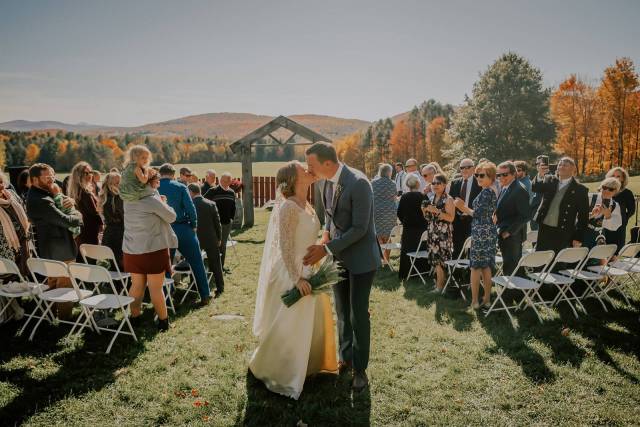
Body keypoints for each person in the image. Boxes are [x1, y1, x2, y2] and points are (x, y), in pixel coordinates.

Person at [250, 161, 337, 400]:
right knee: (290, 322)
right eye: (302, 167)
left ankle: (306, 364)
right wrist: (297, 278)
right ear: (292, 178)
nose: (308, 168)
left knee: (308, 320)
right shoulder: (288, 206)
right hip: (292, 271)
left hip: (310, 266)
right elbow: (285, 245)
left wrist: (323, 243)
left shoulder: (307, 204)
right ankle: (282, 371)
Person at [303, 142, 380, 392]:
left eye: (311, 164)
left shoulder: (359, 183)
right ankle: (345, 358)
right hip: (338, 257)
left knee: (358, 314)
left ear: (327, 163)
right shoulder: (325, 182)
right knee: (342, 312)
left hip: (361, 261)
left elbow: (360, 228)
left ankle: (361, 370)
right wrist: (325, 234)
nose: (308, 168)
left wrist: (325, 249)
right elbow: (329, 216)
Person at [26, 163, 83, 319]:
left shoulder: (44, 193)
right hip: (59, 248)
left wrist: (68, 201)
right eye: (47, 177)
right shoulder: (41, 199)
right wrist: (78, 215)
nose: (52, 180)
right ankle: (65, 319)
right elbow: (66, 220)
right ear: (35, 179)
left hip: (51, 247)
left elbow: (64, 205)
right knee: (64, 284)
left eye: (53, 176)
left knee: (53, 282)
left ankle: (51, 315)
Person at [123, 169, 177, 331]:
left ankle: (135, 317)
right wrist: (164, 203)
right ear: (149, 182)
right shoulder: (152, 200)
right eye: (157, 181)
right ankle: (163, 322)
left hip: (132, 249)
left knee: (136, 285)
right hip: (153, 249)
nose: (159, 184)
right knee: (155, 288)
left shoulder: (128, 199)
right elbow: (172, 217)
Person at [158, 163, 211, 305]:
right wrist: (194, 225)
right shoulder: (181, 187)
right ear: (173, 174)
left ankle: (167, 298)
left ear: (160, 173)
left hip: (164, 230)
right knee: (196, 262)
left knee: (165, 264)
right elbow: (191, 208)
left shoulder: (154, 188)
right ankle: (205, 295)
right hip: (182, 228)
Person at [454, 162, 498, 309]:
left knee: (475, 268)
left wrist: (462, 207)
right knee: (486, 267)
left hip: (481, 233)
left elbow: (477, 214)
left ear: (491, 177)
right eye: (477, 175)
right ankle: (486, 300)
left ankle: (475, 301)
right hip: (488, 231)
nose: (478, 178)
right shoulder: (490, 190)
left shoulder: (487, 192)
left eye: (482, 175)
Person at [532, 156, 589, 253]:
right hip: (544, 227)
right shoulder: (549, 179)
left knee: (557, 262)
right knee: (540, 259)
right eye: (560, 164)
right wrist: (540, 174)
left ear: (573, 169)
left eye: (565, 165)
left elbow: (583, 216)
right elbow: (535, 188)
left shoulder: (580, 190)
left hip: (564, 229)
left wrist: (578, 237)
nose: (561, 167)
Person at [188, 183, 225, 299]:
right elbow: (217, 224)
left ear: (191, 192)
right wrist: (219, 238)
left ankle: (194, 287)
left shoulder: (189, 205)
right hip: (211, 238)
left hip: (195, 239)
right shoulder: (211, 204)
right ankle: (220, 287)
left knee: (194, 263)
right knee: (216, 264)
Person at [493, 161, 530, 275]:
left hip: (513, 236)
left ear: (514, 174)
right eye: (499, 175)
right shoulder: (505, 187)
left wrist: (509, 232)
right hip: (504, 233)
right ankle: (510, 291)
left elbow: (525, 215)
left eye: (505, 174)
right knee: (508, 265)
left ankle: (512, 292)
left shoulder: (519, 189)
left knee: (512, 268)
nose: (501, 177)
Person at [421, 173, 455, 293]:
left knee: (441, 260)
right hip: (432, 232)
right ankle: (439, 284)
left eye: (438, 183)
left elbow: (451, 218)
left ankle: (440, 287)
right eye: (433, 183)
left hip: (443, 234)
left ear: (444, 184)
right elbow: (429, 218)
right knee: (435, 259)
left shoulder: (449, 199)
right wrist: (425, 211)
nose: (435, 185)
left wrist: (437, 211)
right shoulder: (431, 198)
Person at [396, 175, 429, 280]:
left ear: (407, 185)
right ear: (418, 184)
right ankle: (423, 271)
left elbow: (399, 213)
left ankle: (407, 272)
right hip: (422, 228)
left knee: (408, 250)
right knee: (422, 248)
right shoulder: (423, 196)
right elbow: (428, 212)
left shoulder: (404, 197)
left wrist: (405, 222)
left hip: (408, 229)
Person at [67, 162, 103, 252]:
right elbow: (94, 213)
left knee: (82, 258)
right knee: (90, 259)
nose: (90, 175)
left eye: (90, 172)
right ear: (78, 175)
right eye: (86, 173)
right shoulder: (85, 193)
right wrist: (103, 224)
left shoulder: (75, 191)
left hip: (80, 230)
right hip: (89, 230)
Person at [449, 158, 481, 257]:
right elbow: (451, 202)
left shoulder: (479, 183)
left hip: (473, 220)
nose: (464, 170)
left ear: (474, 168)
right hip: (458, 221)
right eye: (462, 167)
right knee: (458, 249)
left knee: (473, 250)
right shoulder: (455, 183)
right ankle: (457, 272)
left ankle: (469, 272)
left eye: (468, 167)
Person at [204, 172, 236, 271]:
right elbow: (203, 204)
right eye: (225, 180)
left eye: (229, 181)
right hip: (214, 224)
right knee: (214, 245)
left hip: (226, 224)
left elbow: (233, 207)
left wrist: (231, 218)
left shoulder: (231, 192)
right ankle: (212, 267)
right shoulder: (212, 191)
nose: (227, 182)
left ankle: (220, 267)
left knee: (223, 245)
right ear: (221, 180)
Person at [0, 172, 31, 274]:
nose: (1, 185)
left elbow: (23, 209)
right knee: (10, 273)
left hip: (22, 237)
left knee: (25, 268)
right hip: (5, 243)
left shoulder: (11, 194)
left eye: (1, 182)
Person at [584, 177, 623, 249]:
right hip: (581, 235)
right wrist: (591, 214)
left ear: (616, 191)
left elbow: (616, 226)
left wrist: (608, 216)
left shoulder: (615, 206)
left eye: (611, 189)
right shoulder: (589, 197)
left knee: (596, 259)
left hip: (599, 237)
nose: (606, 191)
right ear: (601, 187)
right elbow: (575, 217)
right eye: (604, 187)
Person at [372, 163, 398, 265]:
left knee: (378, 235)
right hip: (390, 212)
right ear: (389, 173)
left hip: (377, 211)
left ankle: (381, 259)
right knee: (388, 235)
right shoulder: (392, 184)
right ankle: (387, 260)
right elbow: (394, 197)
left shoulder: (373, 183)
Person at [99, 171, 125, 269]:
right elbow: (124, 218)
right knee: (120, 266)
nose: (121, 185)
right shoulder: (118, 198)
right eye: (117, 183)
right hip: (120, 235)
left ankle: (111, 284)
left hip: (108, 234)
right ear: (110, 185)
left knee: (112, 266)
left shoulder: (105, 198)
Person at [607, 167, 635, 248]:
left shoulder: (627, 193)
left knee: (617, 250)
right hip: (605, 225)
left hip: (619, 227)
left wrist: (623, 219)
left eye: (618, 176)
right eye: (613, 176)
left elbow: (632, 210)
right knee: (604, 251)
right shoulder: (605, 190)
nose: (615, 178)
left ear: (623, 179)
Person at [529, 155, 550, 231]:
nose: (538, 166)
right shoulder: (537, 177)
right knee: (535, 240)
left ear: (547, 165)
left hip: (548, 214)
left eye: (540, 164)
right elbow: (534, 188)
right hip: (535, 213)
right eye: (537, 164)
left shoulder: (554, 176)